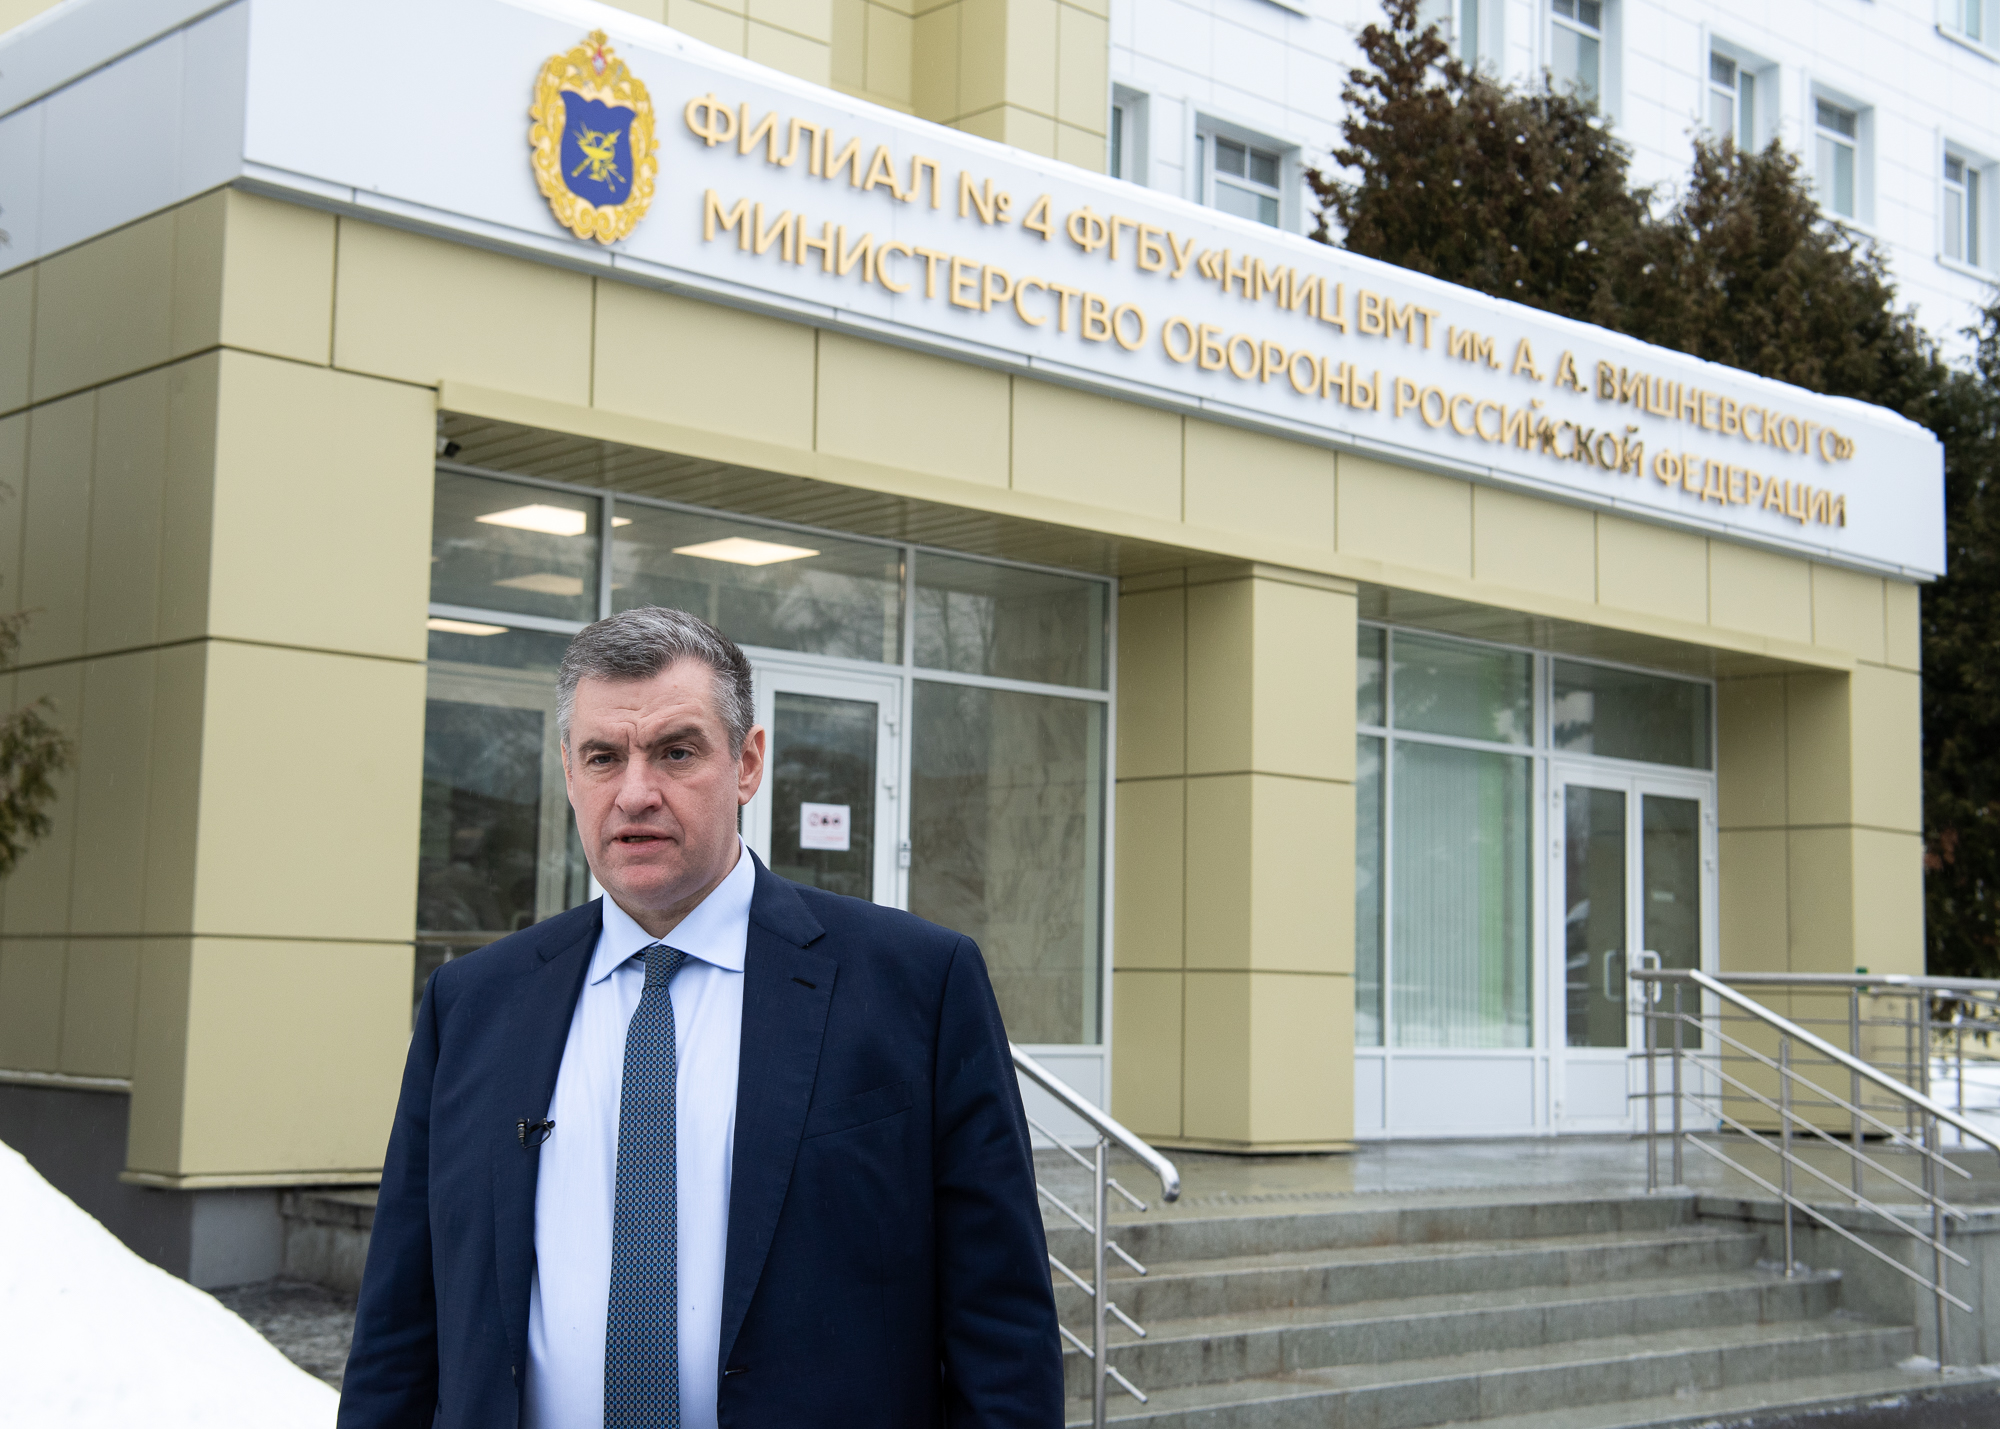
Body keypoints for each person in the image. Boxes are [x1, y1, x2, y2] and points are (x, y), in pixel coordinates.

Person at [338, 606, 1063, 1429]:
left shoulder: (917, 985)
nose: (635, 792)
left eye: (676, 752)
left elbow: (1003, 1331)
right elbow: (397, 1330)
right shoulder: (472, 1004)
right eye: (603, 757)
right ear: (569, 771)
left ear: (747, 763)